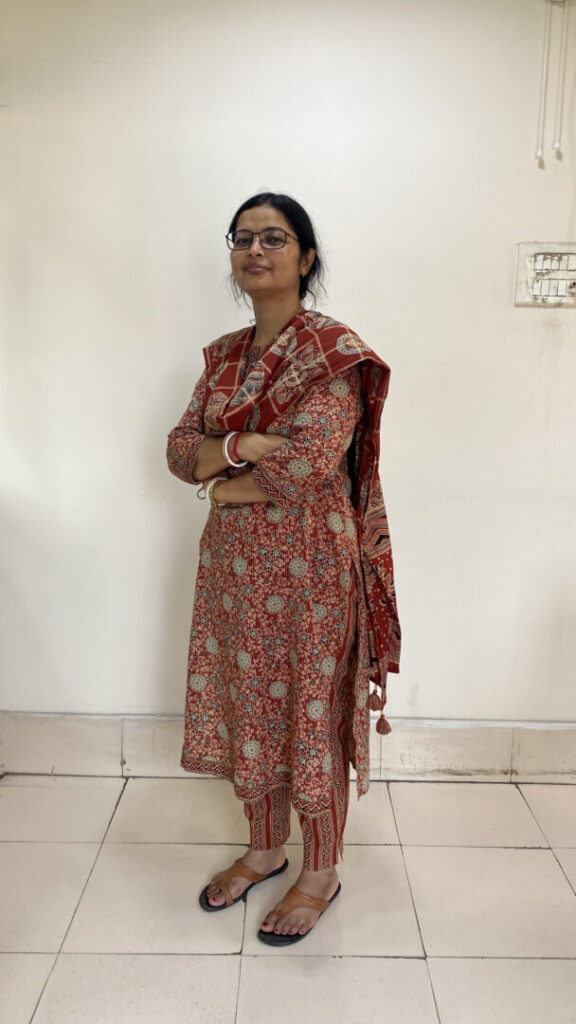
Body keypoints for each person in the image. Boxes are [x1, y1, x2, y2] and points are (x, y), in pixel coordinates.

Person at [166, 192, 400, 946]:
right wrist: (245, 448)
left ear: (305, 257)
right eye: (242, 239)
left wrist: (224, 477)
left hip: (310, 571)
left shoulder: (334, 350)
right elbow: (177, 451)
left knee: (308, 711)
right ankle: (266, 850)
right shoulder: (223, 355)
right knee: (251, 710)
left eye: (274, 238)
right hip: (236, 574)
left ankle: (321, 870)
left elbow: (307, 465)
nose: (255, 250)